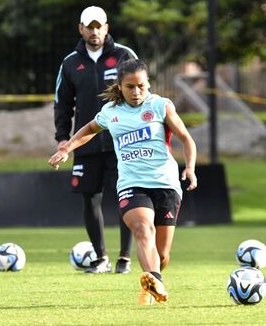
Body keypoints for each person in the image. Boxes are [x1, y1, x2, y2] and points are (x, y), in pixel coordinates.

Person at [49, 59, 197, 305]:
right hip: (131, 183)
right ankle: (154, 280)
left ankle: (152, 280)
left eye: (141, 85)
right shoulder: (111, 112)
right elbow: (87, 130)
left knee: (162, 254)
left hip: (166, 183)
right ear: (120, 86)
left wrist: (190, 168)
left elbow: (186, 138)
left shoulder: (161, 106)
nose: (137, 92)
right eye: (130, 87)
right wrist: (67, 148)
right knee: (142, 228)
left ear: (148, 83)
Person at [54, 6, 138, 274]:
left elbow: (142, 95)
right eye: (89, 27)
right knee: (90, 198)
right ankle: (101, 258)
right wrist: (62, 139)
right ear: (81, 29)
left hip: (122, 142)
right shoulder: (70, 63)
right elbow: (62, 103)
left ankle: (124, 258)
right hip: (87, 141)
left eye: (98, 26)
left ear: (106, 28)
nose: (94, 31)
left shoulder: (125, 56)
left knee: (126, 196)